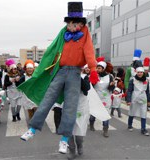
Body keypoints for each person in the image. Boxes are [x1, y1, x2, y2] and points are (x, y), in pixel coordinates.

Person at [19, 2, 98, 154]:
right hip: (60, 71)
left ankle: (64, 140)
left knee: (70, 106)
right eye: (69, 23)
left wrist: (93, 68)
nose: (71, 26)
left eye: (74, 23)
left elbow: (89, 51)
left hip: (75, 73)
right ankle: (32, 129)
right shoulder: (63, 32)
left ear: (80, 23)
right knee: (48, 98)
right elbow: (52, 48)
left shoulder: (85, 33)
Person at [67, 71, 90, 160]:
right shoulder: (65, 76)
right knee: (69, 131)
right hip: (68, 106)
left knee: (79, 134)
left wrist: (77, 76)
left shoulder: (85, 77)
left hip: (81, 107)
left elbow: (86, 89)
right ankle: (72, 151)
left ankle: (80, 144)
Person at [89, 57, 115, 137]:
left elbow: (112, 88)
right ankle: (91, 124)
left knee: (105, 114)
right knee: (93, 113)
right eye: (97, 68)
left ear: (103, 69)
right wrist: (93, 81)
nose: (97, 69)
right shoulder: (94, 75)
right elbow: (90, 86)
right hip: (96, 97)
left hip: (105, 98)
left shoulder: (110, 76)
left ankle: (105, 129)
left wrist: (111, 86)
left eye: (99, 68)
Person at [126, 66, 150, 136]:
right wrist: (128, 100)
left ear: (143, 73)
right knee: (132, 112)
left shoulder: (146, 80)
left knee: (143, 113)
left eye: (141, 72)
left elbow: (147, 91)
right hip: (134, 98)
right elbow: (129, 91)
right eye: (138, 72)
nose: (140, 73)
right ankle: (130, 125)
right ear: (136, 73)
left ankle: (143, 129)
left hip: (143, 99)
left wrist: (149, 100)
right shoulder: (132, 80)